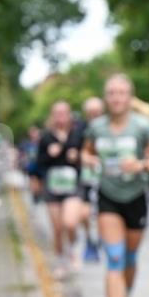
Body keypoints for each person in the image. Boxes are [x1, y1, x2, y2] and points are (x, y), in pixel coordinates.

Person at [81, 74, 149, 297]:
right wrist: (91, 160)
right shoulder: (96, 127)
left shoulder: (143, 127)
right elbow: (85, 153)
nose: (117, 98)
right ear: (106, 97)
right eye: (111, 93)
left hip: (136, 198)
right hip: (108, 196)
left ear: (129, 97)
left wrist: (142, 165)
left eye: (121, 93)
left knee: (130, 259)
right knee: (115, 259)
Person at [36, 101, 85, 278]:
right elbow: (38, 163)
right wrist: (49, 153)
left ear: (70, 114)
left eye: (64, 112)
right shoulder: (46, 136)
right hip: (53, 186)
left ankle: (73, 250)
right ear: (52, 115)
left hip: (73, 184)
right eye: (57, 113)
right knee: (57, 228)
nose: (61, 116)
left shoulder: (78, 133)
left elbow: (87, 156)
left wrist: (77, 156)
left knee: (70, 222)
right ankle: (61, 262)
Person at [78, 97, 105, 263]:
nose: (94, 115)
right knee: (84, 214)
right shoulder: (80, 130)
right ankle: (89, 240)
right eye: (91, 113)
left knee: (104, 214)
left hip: (107, 179)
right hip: (86, 178)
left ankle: (104, 238)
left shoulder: (110, 128)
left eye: (97, 112)